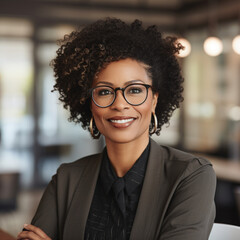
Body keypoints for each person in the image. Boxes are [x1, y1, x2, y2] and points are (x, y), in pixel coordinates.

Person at [17, 18, 216, 240]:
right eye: (104, 92)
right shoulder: (67, 178)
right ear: (89, 104)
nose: (120, 104)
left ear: (154, 100)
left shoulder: (191, 175)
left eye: (135, 90)